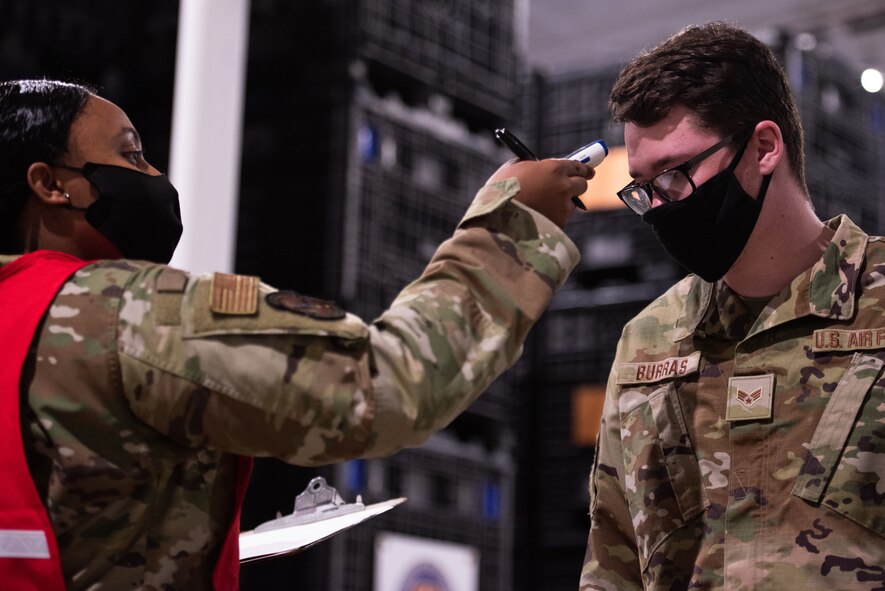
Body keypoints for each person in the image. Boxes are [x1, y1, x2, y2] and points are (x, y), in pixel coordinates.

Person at [0, 79, 595, 590]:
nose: (154, 175)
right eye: (132, 158)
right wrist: (515, 225)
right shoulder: (129, 314)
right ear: (53, 185)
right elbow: (387, 385)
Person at [581, 21, 885, 591]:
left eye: (675, 175)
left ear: (764, 148)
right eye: (643, 188)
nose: (660, 207)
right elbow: (612, 558)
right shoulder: (650, 340)